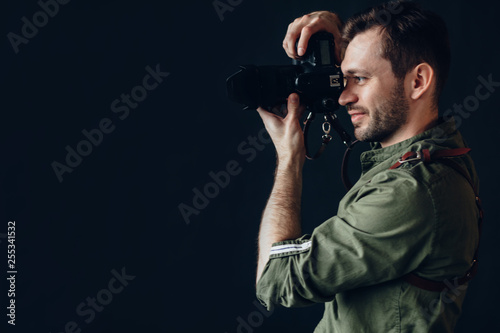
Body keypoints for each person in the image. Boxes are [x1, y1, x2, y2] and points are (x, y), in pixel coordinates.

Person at [254, 1, 482, 332]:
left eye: (358, 78)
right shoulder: (439, 158)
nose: (343, 96)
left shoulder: (412, 191)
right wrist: (336, 35)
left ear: (418, 81)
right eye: (342, 78)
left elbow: (275, 280)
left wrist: (289, 159)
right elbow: (383, 55)